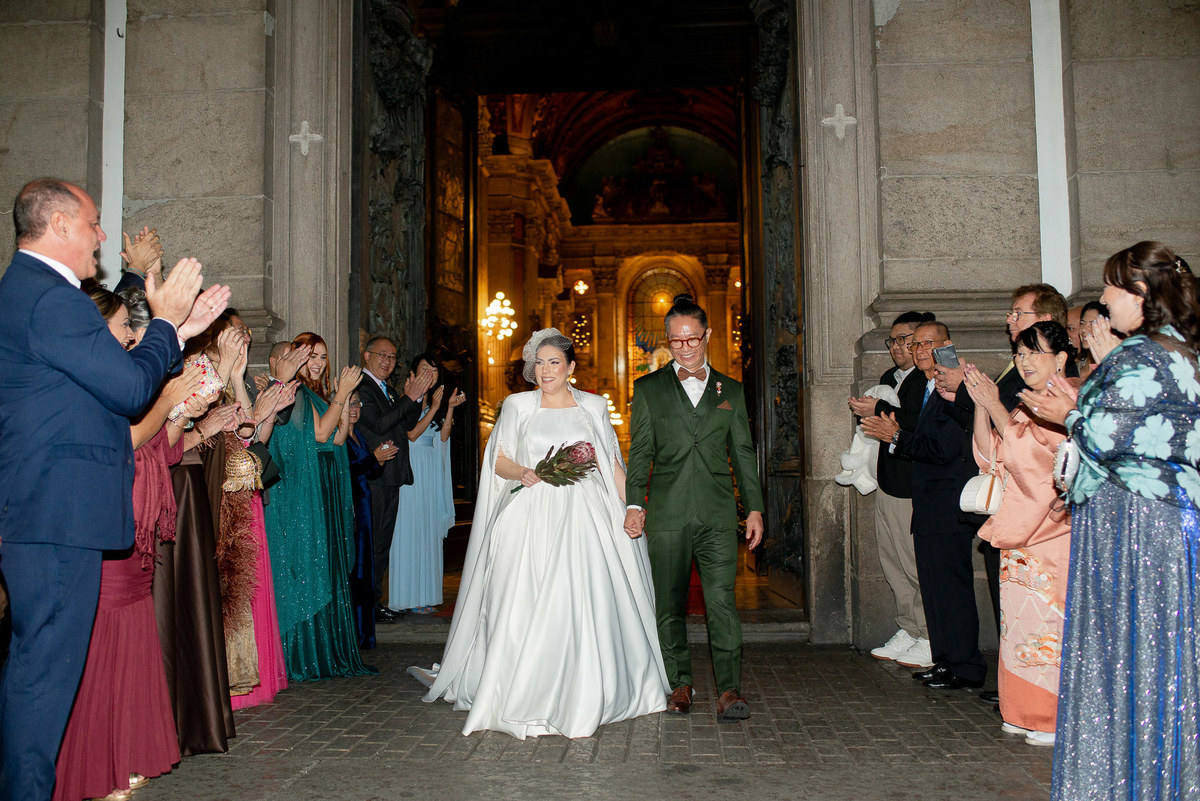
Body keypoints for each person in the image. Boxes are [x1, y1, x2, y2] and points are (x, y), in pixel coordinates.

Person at [0, 178, 227, 801]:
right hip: (57, 517)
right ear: (61, 225)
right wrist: (170, 323)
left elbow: (100, 387)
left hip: (50, 516)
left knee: (38, 678)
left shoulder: (31, 294)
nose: (102, 235)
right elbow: (129, 390)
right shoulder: (51, 298)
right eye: (95, 222)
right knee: (43, 683)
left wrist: (177, 336)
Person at [415, 329, 669, 738]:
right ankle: (519, 684)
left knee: (582, 597)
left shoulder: (594, 405)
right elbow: (498, 461)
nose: (546, 370)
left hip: (585, 514)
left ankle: (585, 688)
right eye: (540, 362)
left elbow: (610, 464)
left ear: (570, 368)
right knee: (522, 595)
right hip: (530, 510)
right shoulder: (517, 405)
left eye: (555, 363)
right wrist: (524, 472)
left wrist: (635, 506)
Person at [1019, 242, 1200, 800]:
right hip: (1154, 520)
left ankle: (1129, 782)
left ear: (1140, 294)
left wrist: (1066, 414)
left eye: (1111, 288)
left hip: (1137, 526)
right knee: (1152, 660)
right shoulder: (1172, 349)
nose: (1101, 299)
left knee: (1132, 660)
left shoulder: (1145, 354)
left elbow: (1112, 436)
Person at [53, 291, 210, 801]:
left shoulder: (123, 372)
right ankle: (93, 761)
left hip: (138, 525)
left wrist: (183, 414)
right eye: (122, 325)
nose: (129, 334)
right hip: (107, 521)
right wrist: (169, 398)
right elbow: (123, 441)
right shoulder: (93, 376)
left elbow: (161, 452)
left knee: (131, 642)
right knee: (106, 643)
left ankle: (124, 753)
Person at [624, 294, 765, 720]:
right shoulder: (648, 389)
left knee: (721, 600)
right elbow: (640, 453)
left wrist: (754, 508)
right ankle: (680, 683)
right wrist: (634, 503)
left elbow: (742, 453)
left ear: (706, 336)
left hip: (718, 514)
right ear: (668, 341)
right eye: (676, 341)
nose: (685, 348)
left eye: (692, 339)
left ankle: (729, 689)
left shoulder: (731, 391)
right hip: (666, 514)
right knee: (669, 605)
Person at [963, 321, 1076, 748]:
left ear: (1061, 358)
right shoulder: (1029, 402)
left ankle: (1049, 714)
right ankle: (1021, 710)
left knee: (1047, 627)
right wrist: (980, 404)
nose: (1025, 362)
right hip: (1022, 534)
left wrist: (995, 406)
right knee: (1018, 628)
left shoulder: (1068, 399)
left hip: (1051, 532)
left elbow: (1039, 463)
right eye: (1020, 354)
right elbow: (993, 454)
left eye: (1035, 353)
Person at [861, 321, 987, 691]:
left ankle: (964, 664)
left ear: (946, 345)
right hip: (929, 501)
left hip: (949, 501)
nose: (918, 350)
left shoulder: (956, 387)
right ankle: (946, 660)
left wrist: (896, 436)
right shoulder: (929, 386)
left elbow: (944, 448)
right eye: (914, 344)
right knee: (934, 586)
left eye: (927, 344)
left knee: (951, 588)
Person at [264, 332, 376, 680]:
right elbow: (320, 435)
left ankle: (321, 650)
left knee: (319, 566)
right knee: (301, 569)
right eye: (311, 356)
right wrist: (341, 396)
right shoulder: (293, 395)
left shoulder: (310, 394)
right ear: (295, 357)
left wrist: (341, 403)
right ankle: (299, 654)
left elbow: (338, 437)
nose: (317, 363)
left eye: (323, 357)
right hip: (296, 494)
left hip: (316, 491)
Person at [848, 311, 934, 668]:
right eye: (894, 340)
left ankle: (930, 633)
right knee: (893, 564)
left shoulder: (926, 379)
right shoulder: (889, 377)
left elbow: (918, 422)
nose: (899, 346)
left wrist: (878, 407)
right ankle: (909, 628)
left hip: (912, 487)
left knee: (915, 563)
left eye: (906, 339)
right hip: (888, 481)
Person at [356, 335, 436, 623]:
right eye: (382, 355)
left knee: (381, 545)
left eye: (392, 357)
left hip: (390, 475)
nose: (388, 362)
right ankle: (366, 604)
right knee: (373, 542)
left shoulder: (386, 389)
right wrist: (408, 398)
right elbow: (378, 424)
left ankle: (374, 601)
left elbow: (407, 424)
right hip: (373, 475)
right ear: (367, 356)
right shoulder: (362, 388)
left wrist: (414, 399)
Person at [388, 354, 464, 614]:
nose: (428, 375)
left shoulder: (436, 403)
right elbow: (411, 434)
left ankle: (426, 595)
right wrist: (432, 406)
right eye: (423, 370)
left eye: (433, 371)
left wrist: (449, 407)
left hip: (430, 470)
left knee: (427, 532)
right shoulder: (408, 401)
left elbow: (442, 437)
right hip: (411, 472)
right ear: (411, 373)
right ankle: (405, 598)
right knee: (409, 532)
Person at [344, 390, 398, 649]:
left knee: (366, 570)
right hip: (352, 509)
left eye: (357, 404)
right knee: (355, 571)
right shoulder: (340, 437)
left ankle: (365, 635)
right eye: (348, 404)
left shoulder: (360, 437)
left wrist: (381, 457)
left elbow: (371, 470)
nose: (354, 409)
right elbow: (347, 471)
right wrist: (372, 459)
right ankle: (354, 635)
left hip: (365, 509)